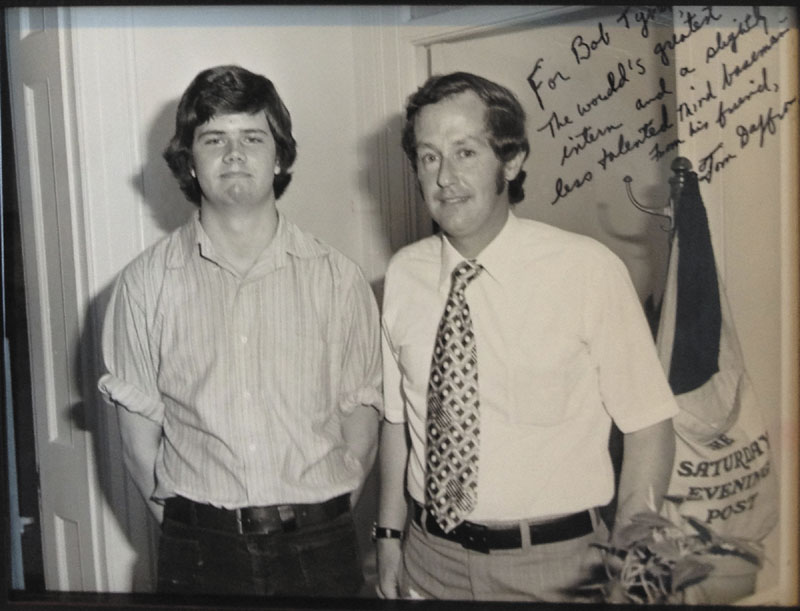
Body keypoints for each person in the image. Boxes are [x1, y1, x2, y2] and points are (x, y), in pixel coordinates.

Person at [375, 71, 679, 602]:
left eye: (465, 152)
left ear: (510, 161)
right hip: (429, 560)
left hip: (558, 567)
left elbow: (649, 426)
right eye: (429, 157)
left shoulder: (587, 270)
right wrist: (388, 537)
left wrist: (632, 564)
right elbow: (398, 421)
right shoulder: (402, 274)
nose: (445, 177)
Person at [98, 65, 382, 597]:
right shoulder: (143, 285)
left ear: (280, 156)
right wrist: (198, 533)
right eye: (213, 139)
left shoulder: (338, 279)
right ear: (189, 161)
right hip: (200, 549)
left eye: (252, 137)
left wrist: (312, 517)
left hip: (321, 547)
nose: (234, 154)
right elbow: (140, 451)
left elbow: (361, 438)